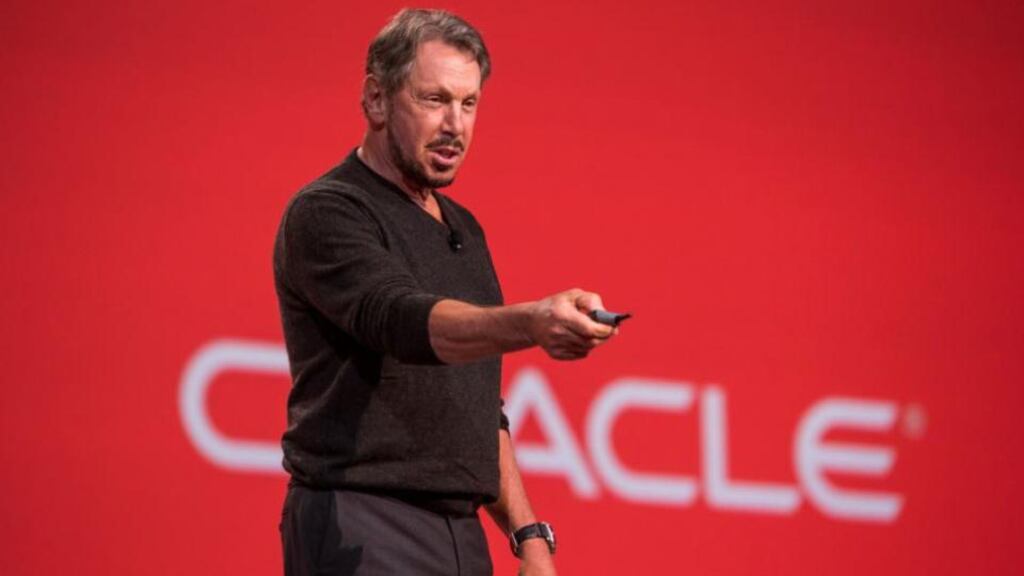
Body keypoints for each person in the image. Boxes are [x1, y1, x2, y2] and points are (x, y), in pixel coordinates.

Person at [273, 8, 617, 575]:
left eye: (469, 103)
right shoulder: (330, 212)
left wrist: (529, 537)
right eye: (434, 100)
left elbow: (480, 407)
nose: (455, 125)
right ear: (376, 100)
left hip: (461, 534)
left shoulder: (464, 229)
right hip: (362, 519)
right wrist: (530, 322)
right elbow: (401, 319)